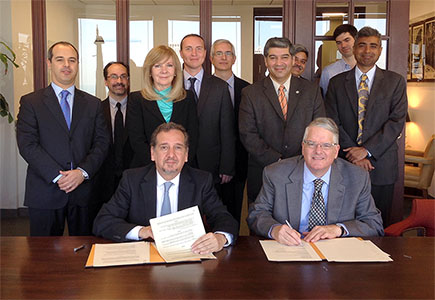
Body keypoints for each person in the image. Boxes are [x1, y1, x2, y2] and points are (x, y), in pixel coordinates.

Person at [93, 122, 238, 254]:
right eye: (164, 147)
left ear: (186, 155)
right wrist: (142, 231)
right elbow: (103, 221)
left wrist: (221, 238)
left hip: (187, 261)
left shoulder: (201, 181)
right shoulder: (132, 180)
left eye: (178, 148)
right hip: (143, 262)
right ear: (152, 153)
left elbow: (224, 218)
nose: (171, 155)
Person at [16, 41, 110, 236]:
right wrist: (59, 176)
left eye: (72, 60)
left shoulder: (93, 104)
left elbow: (101, 143)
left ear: (77, 64)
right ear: (49, 63)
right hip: (45, 190)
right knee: (43, 258)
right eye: (60, 60)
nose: (67, 65)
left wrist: (82, 172)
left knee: (85, 253)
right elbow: (27, 145)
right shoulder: (31, 102)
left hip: (84, 192)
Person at [247, 118, 384, 245]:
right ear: (303, 147)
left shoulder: (357, 177)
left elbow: (373, 224)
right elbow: (257, 214)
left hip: (336, 256)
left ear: (336, 151)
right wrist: (275, 230)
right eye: (311, 144)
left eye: (326, 145)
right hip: (291, 251)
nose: (318, 151)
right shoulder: (276, 173)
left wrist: (338, 229)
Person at [325, 27, 408, 227]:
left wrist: (366, 151)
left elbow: (396, 121)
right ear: (354, 49)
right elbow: (332, 120)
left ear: (380, 50)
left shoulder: (395, 81)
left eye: (373, 46)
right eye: (362, 45)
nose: (367, 51)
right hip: (345, 163)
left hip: (381, 165)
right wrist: (353, 153)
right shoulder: (336, 83)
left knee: (380, 224)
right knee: (343, 223)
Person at [239, 37, 325, 204]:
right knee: (261, 225)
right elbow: (247, 134)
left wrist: (299, 160)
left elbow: (320, 128)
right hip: (264, 171)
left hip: (304, 170)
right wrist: (277, 161)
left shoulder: (311, 91)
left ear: (292, 59)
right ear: (265, 61)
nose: (279, 63)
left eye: (284, 57)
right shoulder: (250, 93)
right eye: (273, 57)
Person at [180, 34, 236, 195]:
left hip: (211, 162)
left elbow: (227, 129)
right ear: (181, 53)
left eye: (198, 49)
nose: (194, 54)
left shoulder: (219, 86)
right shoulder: (171, 84)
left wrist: (227, 166)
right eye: (188, 49)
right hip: (178, 159)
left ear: (205, 53)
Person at [128, 45, 198, 168]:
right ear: (150, 71)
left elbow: (193, 137)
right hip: (146, 168)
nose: (164, 71)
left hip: (181, 169)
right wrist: (159, 167)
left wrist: (177, 166)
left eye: (169, 65)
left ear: (176, 71)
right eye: (157, 66)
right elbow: (137, 140)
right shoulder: (136, 99)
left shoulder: (188, 97)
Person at [210, 39, 250, 226]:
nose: (223, 57)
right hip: (207, 163)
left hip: (239, 161)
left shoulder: (248, 90)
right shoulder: (200, 88)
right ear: (211, 58)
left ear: (234, 58)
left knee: (233, 214)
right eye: (219, 53)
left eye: (228, 53)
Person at [93, 62, 134, 217]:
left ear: (128, 80)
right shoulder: (94, 109)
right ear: (106, 81)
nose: (119, 81)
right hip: (103, 182)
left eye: (123, 76)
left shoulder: (139, 108)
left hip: (132, 180)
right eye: (114, 77)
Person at [319, 24, 358, 97]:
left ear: (356, 40)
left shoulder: (365, 69)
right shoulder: (328, 72)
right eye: (339, 42)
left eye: (347, 40)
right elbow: (325, 101)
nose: (343, 45)